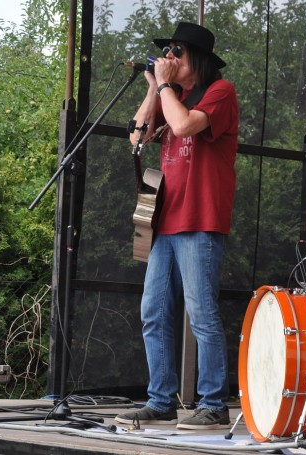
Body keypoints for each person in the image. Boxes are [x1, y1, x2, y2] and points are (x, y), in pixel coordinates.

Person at [115, 22, 239, 430]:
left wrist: (166, 90)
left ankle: (214, 403)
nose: (169, 58)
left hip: (200, 221)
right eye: (166, 51)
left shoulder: (219, 92)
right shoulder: (172, 96)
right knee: (153, 310)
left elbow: (185, 126)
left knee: (201, 312)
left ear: (197, 60)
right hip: (165, 222)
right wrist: (154, 87)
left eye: (176, 51)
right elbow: (136, 136)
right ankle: (161, 399)